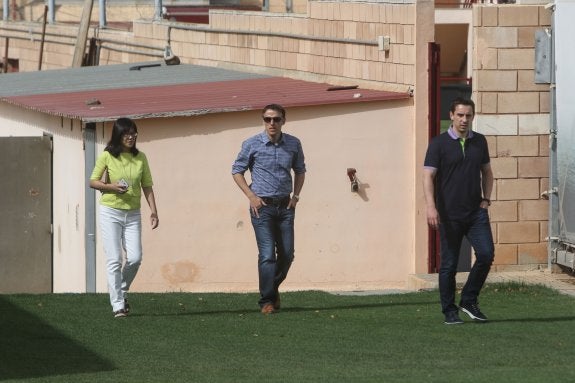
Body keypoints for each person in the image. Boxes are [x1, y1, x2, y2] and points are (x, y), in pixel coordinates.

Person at [423, 97, 495, 325]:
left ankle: (469, 300)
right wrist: (431, 207)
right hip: (448, 214)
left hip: (476, 212)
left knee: (485, 254)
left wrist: (486, 200)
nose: (464, 120)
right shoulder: (438, 144)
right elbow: (428, 177)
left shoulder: (480, 142)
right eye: (460, 115)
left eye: (468, 116)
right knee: (449, 265)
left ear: (473, 117)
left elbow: (487, 173)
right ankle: (449, 311)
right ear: (452, 116)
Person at [232, 104, 306, 315]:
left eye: (276, 119)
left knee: (288, 254)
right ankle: (267, 301)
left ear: (283, 120)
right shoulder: (251, 144)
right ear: (263, 120)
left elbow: (300, 171)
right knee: (267, 255)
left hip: (285, 207)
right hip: (261, 208)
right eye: (267, 119)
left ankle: (271, 289)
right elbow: (237, 171)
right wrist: (251, 196)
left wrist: (296, 197)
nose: (271, 123)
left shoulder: (293, 143)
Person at [89, 118, 159, 318]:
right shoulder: (107, 156)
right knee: (114, 259)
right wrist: (111, 187)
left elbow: (147, 185)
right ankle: (118, 304)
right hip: (110, 211)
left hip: (133, 213)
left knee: (135, 258)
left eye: (133, 133)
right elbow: (93, 182)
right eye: (127, 134)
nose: (131, 137)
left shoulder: (141, 157)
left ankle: (120, 288)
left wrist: (154, 210)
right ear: (118, 135)